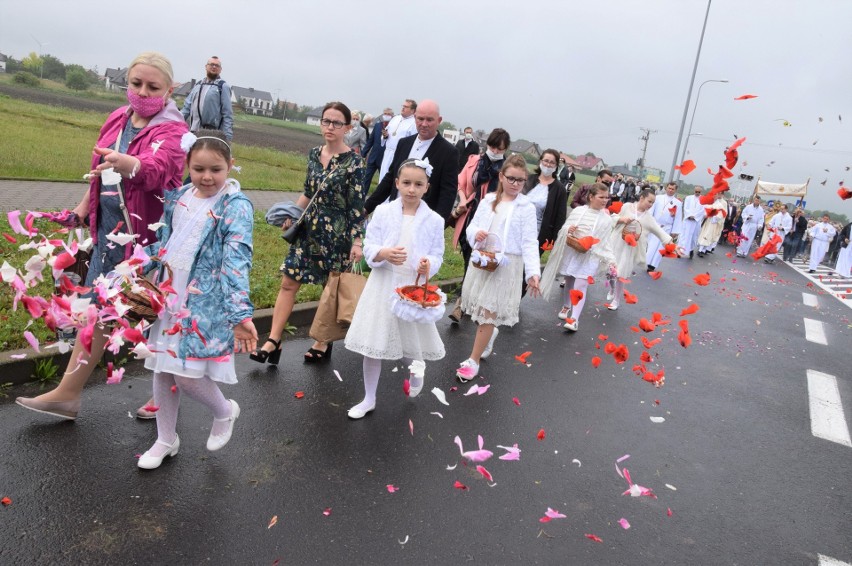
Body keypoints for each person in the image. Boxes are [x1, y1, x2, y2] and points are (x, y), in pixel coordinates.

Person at [16, 52, 188, 421]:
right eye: (136, 83)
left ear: (170, 90)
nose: (142, 92)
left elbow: (159, 171)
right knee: (96, 314)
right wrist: (82, 209)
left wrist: (131, 164)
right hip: (108, 236)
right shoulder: (116, 118)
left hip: (148, 245)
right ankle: (67, 395)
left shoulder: (174, 131)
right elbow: (98, 171)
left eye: (153, 87)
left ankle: (166, 396)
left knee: (157, 321)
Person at [136, 131, 256, 469]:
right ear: (187, 164)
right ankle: (165, 439)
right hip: (169, 293)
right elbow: (166, 242)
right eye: (199, 168)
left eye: (216, 169)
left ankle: (223, 410)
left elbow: (236, 259)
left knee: (187, 375)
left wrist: (239, 313)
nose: (206, 177)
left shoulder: (235, 206)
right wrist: (136, 268)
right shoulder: (179, 197)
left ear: (231, 166)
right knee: (162, 368)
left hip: (204, 300)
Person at [250, 101, 365, 364]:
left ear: (347, 127)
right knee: (289, 282)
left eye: (337, 122)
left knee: (329, 289)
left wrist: (357, 241)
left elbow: (357, 206)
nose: (330, 127)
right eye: (326, 121)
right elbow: (308, 191)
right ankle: (273, 340)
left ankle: (322, 341)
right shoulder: (314, 154)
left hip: (337, 234)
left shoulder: (355, 163)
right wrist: (293, 214)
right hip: (309, 229)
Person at [344, 159, 445, 419]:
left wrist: (427, 265)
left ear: (427, 187)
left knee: (408, 340)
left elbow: (437, 254)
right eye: (407, 183)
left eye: (418, 184)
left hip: (410, 286)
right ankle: (368, 398)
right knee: (373, 343)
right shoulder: (382, 211)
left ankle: (416, 368)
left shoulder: (434, 220)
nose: (412, 189)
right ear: (397, 183)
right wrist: (384, 253)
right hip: (382, 283)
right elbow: (369, 248)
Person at [456, 155, 542, 381]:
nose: (515, 184)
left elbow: (530, 242)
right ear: (502, 177)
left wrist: (533, 273)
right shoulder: (488, 201)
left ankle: (473, 360)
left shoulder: (526, 207)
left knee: (487, 310)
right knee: (479, 310)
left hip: (507, 264)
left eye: (521, 180)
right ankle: (490, 332)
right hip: (484, 260)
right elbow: (472, 227)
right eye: (511, 178)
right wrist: (477, 234)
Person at [447, 128, 511, 322]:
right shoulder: (474, 161)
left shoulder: (507, 170)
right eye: (492, 146)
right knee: (469, 257)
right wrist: (463, 199)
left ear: (505, 149)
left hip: (492, 219)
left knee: (482, 260)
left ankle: (463, 302)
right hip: (471, 215)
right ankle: (464, 301)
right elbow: (460, 182)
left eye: (499, 149)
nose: (495, 151)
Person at [364, 99, 460, 221]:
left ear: (439, 121)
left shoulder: (448, 152)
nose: (424, 124)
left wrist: (436, 224)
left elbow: (448, 193)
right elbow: (390, 179)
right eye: (420, 119)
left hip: (423, 221)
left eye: (429, 120)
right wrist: (367, 207)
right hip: (396, 215)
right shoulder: (404, 143)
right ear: (415, 118)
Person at [539, 183, 616, 332]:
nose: (605, 200)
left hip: (590, 256)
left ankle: (574, 319)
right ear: (591, 197)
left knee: (581, 285)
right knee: (570, 280)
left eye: (607, 197)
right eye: (601, 197)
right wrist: (569, 229)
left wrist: (611, 259)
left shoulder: (606, 220)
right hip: (573, 251)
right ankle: (566, 305)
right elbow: (564, 229)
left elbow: (606, 242)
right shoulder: (578, 211)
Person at [606, 188, 684, 311]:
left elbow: (660, 232)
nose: (651, 205)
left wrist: (673, 245)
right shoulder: (627, 206)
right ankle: (611, 288)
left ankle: (616, 300)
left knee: (621, 274)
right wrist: (623, 220)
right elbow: (614, 219)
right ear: (641, 198)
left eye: (653, 202)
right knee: (610, 272)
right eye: (649, 201)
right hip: (617, 242)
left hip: (629, 249)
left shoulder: (648, 218)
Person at [523, 148, 568, 253]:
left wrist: (553, 240)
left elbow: (560, 217)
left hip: (539, 234)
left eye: (552, 162)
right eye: (546, 161)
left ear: (556, 166)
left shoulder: (559, 189)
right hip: (519, 227)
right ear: (540, 161)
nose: (548, 165)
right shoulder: (528, 179)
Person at [180, 56, 234, 141]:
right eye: (212, 64)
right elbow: (186, 109)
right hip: (193, 133)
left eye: (217, 65)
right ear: (206, 66)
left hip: (211, 135)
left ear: (220, 69)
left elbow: (227, 114)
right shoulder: (198, 86)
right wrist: (173, 123)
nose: (214, 67)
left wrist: (227, 140)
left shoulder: (223, 87)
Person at [645, 182, 682, 271]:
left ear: (675, 190)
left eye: (673, 189)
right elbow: (651, 211)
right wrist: (648, 222)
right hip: (656, 224)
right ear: (666, 188)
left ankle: (653, 265)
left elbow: (678, 218)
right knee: (651, 245)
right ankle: (647, 261)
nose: (670, 190)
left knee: (661, 247)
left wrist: (675, 231)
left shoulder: (678, 203)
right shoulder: (658, 198)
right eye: (669, 188)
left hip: (667, 227)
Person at [378, 99, 417, 181]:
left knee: (393, 178)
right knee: (383, 177)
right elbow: (387, 133)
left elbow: (412, 142)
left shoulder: (414, 123)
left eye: (406, 107)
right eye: (403, 106)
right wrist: (385, 135)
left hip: (400, 156)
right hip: (388, 153)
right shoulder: (395, 118)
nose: (403, 108)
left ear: (413, 110)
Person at [362, 107, 393, 189]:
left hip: (384, 159)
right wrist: (363, 154)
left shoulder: (393, 127)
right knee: (366, 179)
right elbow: (370, 141)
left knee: (383, 182)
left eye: (388, 114)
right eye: (385, 114)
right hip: (373, 158)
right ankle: (362, 199)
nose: (386, 115)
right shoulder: (377, 125)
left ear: (392, 116)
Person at [696, 192, 727, 257]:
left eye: (717, 194)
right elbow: (704, 209)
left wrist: (715, 216)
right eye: (714, 194)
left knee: (709, 235)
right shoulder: (710, 202)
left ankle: (703, 250)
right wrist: (706, 214)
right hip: (707, 221)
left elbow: (721, 214)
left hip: (713, 222)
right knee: (704, 234)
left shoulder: (720, 205)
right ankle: (700, 249)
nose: (715, 196)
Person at [680, 185, 705, 258]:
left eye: (699, 192)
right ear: (694, 191)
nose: (697, 193)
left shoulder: (703, 199)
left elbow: (702, 210)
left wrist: (695, 217)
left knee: (693, 237)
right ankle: (681, 251)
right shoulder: (688, 198)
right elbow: (685, 207)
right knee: (684, 236)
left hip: (696, 222)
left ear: (701, 192)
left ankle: (691, 250)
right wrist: (689, 215)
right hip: (688, 220)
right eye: (696, 191)